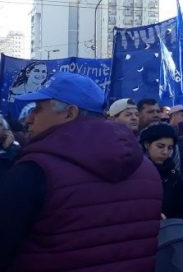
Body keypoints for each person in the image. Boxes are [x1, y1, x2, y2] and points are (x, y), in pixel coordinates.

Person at [0, 72, 162, 271]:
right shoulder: (146, 169)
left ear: (70, 113)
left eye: (38, 109)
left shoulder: (35, 170)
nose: (29, 118)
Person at [140, 122, 183, 220]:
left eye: (170, 148)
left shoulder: (174, 175)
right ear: (147, 144)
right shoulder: (137, 173)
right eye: (160, 146)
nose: (165, 152)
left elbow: (182, 208)